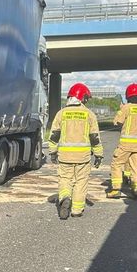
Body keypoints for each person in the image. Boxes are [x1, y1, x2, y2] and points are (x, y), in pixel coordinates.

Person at [48, 83, 103, 219]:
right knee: (81, 181)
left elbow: (54, 134)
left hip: (65, 156)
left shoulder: (61, 114)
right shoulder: (89, 114)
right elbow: (94, 137)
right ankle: (77, 210)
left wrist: (53, 152)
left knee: (65, 179)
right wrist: (98, 154)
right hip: (83, 157)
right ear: (82, 98)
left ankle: (65, 197)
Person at [107, 83, 137, 199]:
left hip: (125, 144)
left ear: (128, 96)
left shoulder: (126, 108)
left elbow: (117, 122)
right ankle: (136, 189)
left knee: (116, 164)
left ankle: (116, 189)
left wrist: (121, 111)